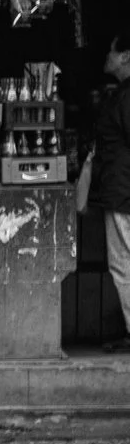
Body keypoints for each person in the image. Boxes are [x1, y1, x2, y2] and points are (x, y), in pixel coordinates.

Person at [91, 33, 130, 348]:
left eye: (112, 51)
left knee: (124, 265)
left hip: (124, 194)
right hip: (121, 189)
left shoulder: (127, 99)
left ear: (126, 56)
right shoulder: (122, 95)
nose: (107, 55)